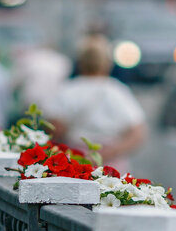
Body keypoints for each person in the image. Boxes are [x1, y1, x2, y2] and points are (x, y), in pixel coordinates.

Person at [46, 35, 147, 171]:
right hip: (112, 163)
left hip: (76, 161)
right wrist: (108, 153)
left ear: (80, 62)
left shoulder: (67, 90)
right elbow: (137, 133)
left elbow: (56, 128)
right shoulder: (117, 90)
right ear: (107, 63)